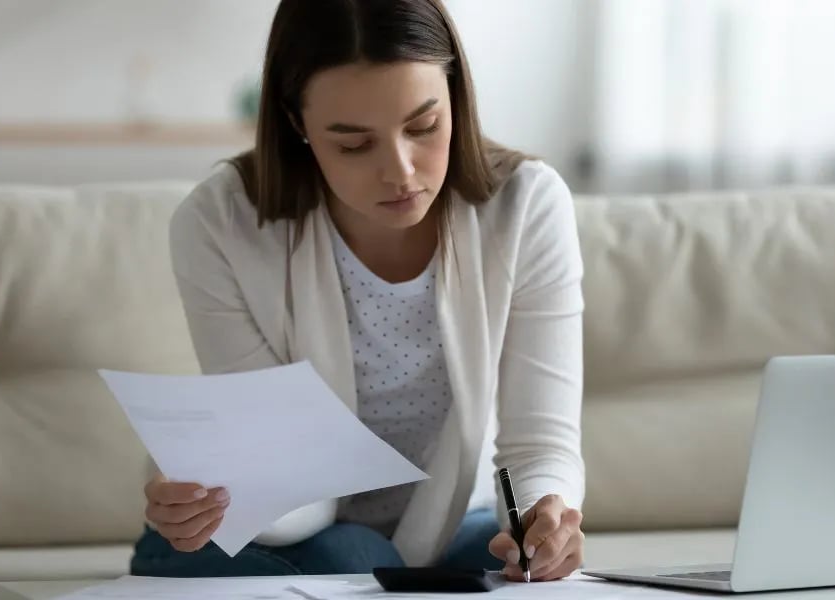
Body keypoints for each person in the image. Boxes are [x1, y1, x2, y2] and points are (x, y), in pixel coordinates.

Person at [131, 0, 586, 582]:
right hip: (285, 524)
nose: (400, 171)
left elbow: (537, 442)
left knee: (521, 570)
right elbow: (284, 477)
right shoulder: (221, 224)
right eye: (353, 144)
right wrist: (210, 499)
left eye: (424, 127)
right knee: (351, 558)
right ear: (297, 124)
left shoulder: (526, 207)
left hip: (437, 523)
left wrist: (545, 521)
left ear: (456, 97)